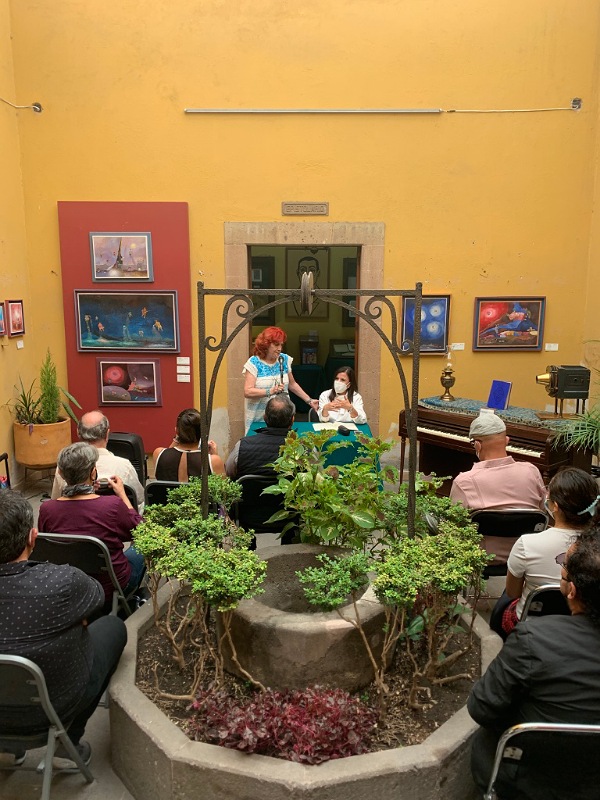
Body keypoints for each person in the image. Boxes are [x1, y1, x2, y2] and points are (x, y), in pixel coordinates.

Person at [468, 525, 600, 798]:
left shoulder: (533, 638)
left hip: (530, 782)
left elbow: (482, 707)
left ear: (572, 590)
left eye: (563, 572)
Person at [0, 489, 127, 766]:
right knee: (113, 626)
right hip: (55, 708)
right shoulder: (62, 582)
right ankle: (70, 739)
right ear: (33, 537)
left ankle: (7, 747)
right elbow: (97, 599)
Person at [490, 467, 600, 637]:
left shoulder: (527, 544)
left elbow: (513, 593)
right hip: (586, 626)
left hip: (532, 626)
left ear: (555, 506)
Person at [38, 443, 145, 604]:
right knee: (140, 548)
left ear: (60, 473)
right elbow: (141, 531)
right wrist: (122, 495)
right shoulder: (112, 505)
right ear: (93, 472)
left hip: (69, 586)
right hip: (111, 587)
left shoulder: (47, 509)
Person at [450, 408, 546, 511]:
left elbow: (453, 519)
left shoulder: (463, 482)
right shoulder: (532, 471)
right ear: (506, 441)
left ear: (477, 445)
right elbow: (544, 509)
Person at [51, 410, 145, 511]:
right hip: (115, 517)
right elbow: (139, 500)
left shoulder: (64, 466)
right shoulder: (125, 466)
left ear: (78, 433)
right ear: (107, 434)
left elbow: (56, 502)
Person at [243, 326, 319, 433]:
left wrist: (309, 401)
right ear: (265, 344)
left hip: (282, 419)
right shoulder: (254, 362)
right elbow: (248, 391)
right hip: (258, 420)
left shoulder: (284, 359)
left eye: (281, 344)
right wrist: (270, 391)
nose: (279, 348)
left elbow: (292, 384)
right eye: (276, 344)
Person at [226, 394, 295, 479]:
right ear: (292, 420)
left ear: (264, 417)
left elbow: (228, 472)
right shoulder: (304, 450)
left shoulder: (241, 446)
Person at [153, 408, 225, 480]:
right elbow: (221, 486)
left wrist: (177, 437)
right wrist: (214, 456)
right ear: (202, 432)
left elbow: (168, 455)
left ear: (177, 431)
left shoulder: (158, 453)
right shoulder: (214, 461)